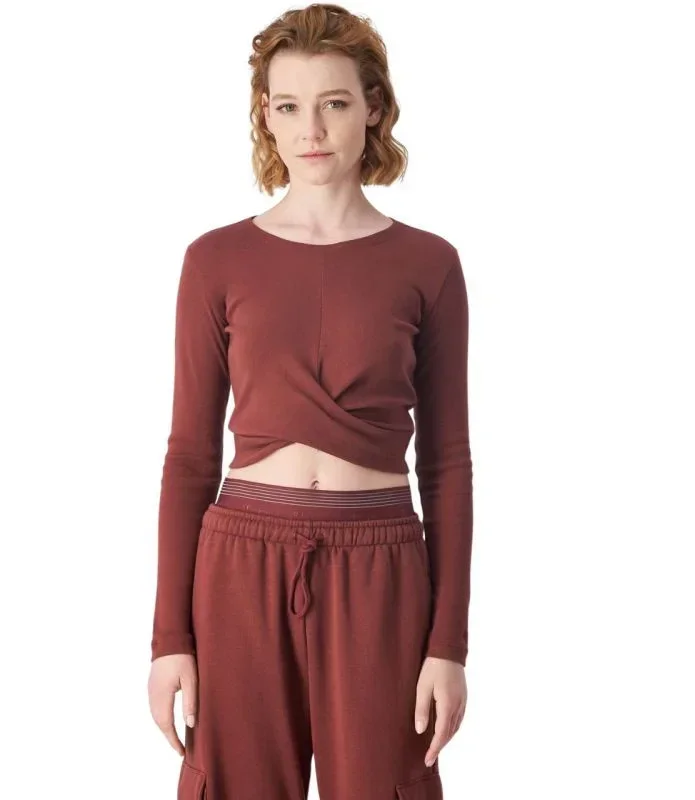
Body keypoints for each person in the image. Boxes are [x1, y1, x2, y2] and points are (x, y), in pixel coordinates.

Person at [147, 4, 473, 798]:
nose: (312, 130)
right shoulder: (215, 260)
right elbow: (189, 457)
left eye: (334, 103)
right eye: (289, 106)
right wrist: (168, 638)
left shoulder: (429, 264)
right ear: (266, 115)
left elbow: (448, 464)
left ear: (374, 108)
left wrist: (449, 645)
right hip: (240, 563)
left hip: (382, 566)